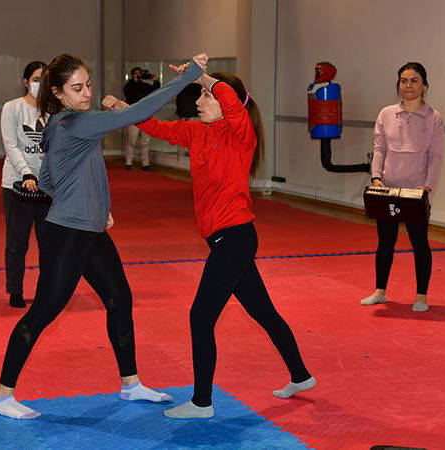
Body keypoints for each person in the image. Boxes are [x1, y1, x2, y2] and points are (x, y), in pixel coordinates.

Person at [0, 52, 208, 420]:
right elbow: (138, 112)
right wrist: (190, 75)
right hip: (67, 233)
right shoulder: (76, 123)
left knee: (120, 298)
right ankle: (2, 395)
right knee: (44, 310)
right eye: (77, 88)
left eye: (88, 84)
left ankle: (131, 384)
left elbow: (48, 180)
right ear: (58, 93)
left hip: (88, 227)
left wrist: (96, 205)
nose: (87, 93)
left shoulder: (59, 125)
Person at [104, 70, 315, 420]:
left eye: (206, 96)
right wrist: (123, 109)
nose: (199, 102)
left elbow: (230, 100)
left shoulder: (240, 133)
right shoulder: (196, 132)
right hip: (223, 241)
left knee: (200, 317)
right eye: (200, 95)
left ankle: (202, 402)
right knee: (263, 312)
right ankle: (301, 375)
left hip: (235, 237)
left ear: (228, 102)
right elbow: (154, 126)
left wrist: (202, 76)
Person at [359, 62, 445, 312]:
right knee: (385, 243)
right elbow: (379, 149)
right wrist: (376, 177)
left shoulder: (434, 118)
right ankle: (380, 291)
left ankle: (421, 296)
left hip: (416, 193)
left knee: (420, 243)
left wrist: (427, 187)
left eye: (414, 81)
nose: (409, 85)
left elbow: (435, 156)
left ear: (424, 86)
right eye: (404, 81)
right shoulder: (386, 114)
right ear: (398, 85)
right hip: (388, 190)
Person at [0, 61, 48, 309]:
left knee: (49, 244)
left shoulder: (54, 110)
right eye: (37, 79)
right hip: (17, 185)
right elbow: (11, 145)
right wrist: (27, 173)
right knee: (17, 242)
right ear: (26, 81)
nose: (40, 83)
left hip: (47, 188)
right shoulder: (12, 108)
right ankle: (15, 291)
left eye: (45, 79)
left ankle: (47, 292)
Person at [122, 68, 160, 170]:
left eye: (140, 73)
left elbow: (156, 91)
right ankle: (129, 162)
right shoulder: (129, 85)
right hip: (133, 116)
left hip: (146, 116)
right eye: (137, 73)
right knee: (132, 140)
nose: (139, 75)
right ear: (132, 74)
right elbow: (130, 96)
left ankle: (145, 163)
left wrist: (155, 80)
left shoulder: (143, 84)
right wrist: (135, 80)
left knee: (145, 142)